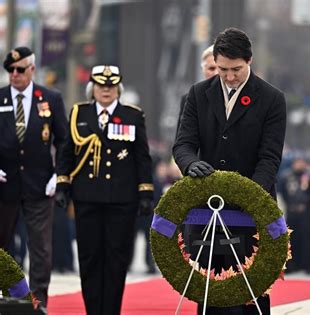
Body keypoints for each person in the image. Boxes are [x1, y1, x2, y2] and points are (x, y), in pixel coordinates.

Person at [173, 27, 287, 315]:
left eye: (236, 69)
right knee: (209, 291)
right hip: (206, 209)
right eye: (223, 69)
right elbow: (183, 144)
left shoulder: (272, 99)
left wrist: (245, 195)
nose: (229, 76)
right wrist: (190, 164)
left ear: (249, 61)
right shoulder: (198, 94)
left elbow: (269, 158)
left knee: (249, 293)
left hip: (251, 210)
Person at [55, 65, 154, 315]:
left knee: (116, 260)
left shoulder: (132, 115)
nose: (106, 90)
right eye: (101, 85)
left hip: (122, 200)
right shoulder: (80, 113)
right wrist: (62, 185)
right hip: (87, 197)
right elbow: (67, 152)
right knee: (89, 259)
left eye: (111, 86)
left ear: (118, 89)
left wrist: (145, 193)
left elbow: (142, 157)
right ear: (93, 88)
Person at [0, 47, 68, 306]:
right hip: (4, 185)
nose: (14, 75)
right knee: (2, 246)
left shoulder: (50, 98)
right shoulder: (0, 98)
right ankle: (7, 297)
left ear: (32, 69)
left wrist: (58, 176)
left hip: (40, 185)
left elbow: (64, 141)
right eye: (10, 70)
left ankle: (39, 302)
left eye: (19, 69)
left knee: (40, 249)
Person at [176, 44, 218, 136]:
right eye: (211, 68)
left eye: (221, 68)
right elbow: (181, 140)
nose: (216, 73)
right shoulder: (190, 99)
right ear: (203, 70)